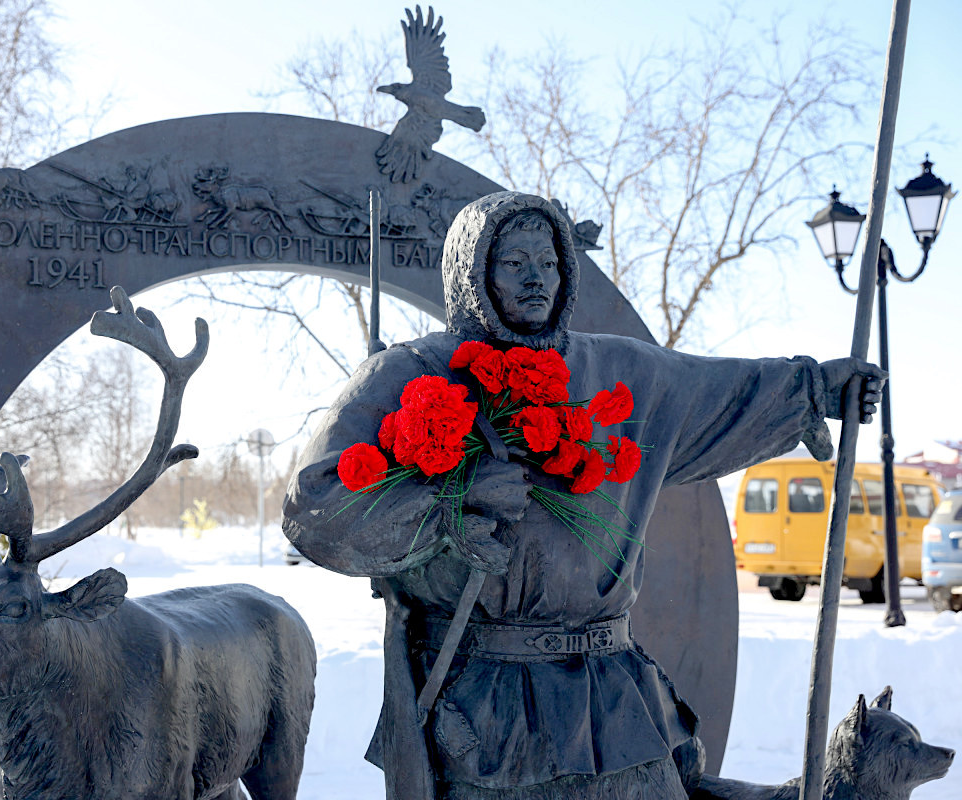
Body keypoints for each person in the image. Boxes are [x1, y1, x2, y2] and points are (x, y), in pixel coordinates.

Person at [282, 191, 883, 800]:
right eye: (513, 262)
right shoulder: (413, 373)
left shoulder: (618, 373)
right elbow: (315, 507)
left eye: (548, 262)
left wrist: (815, 388)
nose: (537, 277)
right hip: (483, 708)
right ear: (472, 271)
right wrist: (447, 506)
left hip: (614, 700)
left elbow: (720, 392)